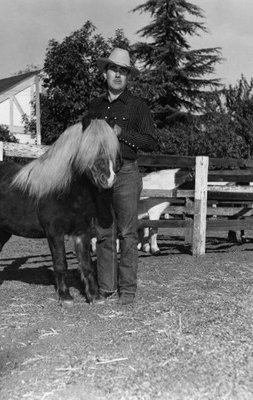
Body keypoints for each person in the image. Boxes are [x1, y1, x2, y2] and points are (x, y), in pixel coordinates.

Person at [85, 47, 157, 305]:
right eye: (114, 69)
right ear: (105, 72)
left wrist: (121, 133)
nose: (118, 75)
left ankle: (127, 291)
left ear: (128, 77)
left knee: (128, 233)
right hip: (101, 174)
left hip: (126, 172)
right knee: (104, 232)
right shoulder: (94, 106)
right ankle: (106, 289)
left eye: (123, 71)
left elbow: (150, 141)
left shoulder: (138, 106)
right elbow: (85, 140)